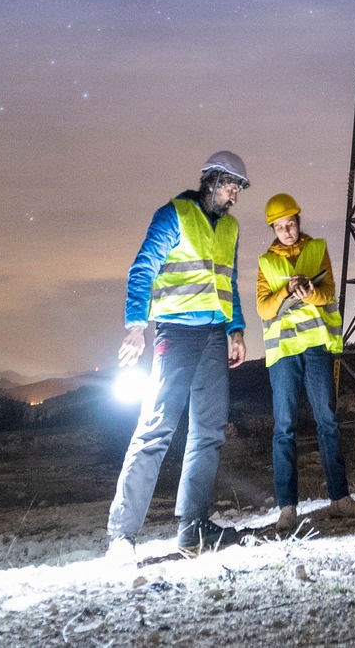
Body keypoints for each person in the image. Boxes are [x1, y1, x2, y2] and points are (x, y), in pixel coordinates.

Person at [105, 150, 250, 561]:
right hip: (176, 332)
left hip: (214, 336)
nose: (234, 195)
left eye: (239, 188)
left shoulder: (231, 228)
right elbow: (143, 268)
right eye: (229, 185)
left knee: (209, 431)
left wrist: (235, 329)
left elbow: (229, 282)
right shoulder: (174, 214)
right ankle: (122, 536)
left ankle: (193, 529)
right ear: (211, 180)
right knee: (156, 428)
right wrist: (137, 326)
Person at [254, 193, 355, 529]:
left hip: (316, 345)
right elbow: (262, 308)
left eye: (291, 224)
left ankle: (339, 498)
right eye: (280, 226)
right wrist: (286, 292)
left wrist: (310, 293)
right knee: (284, 428)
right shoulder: (266, 262)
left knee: (327, 421)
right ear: (273, 229)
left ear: (298, 222)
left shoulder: (317, 250)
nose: (287, 230)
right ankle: (287, 508)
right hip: (284, 353)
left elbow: (329, 293)